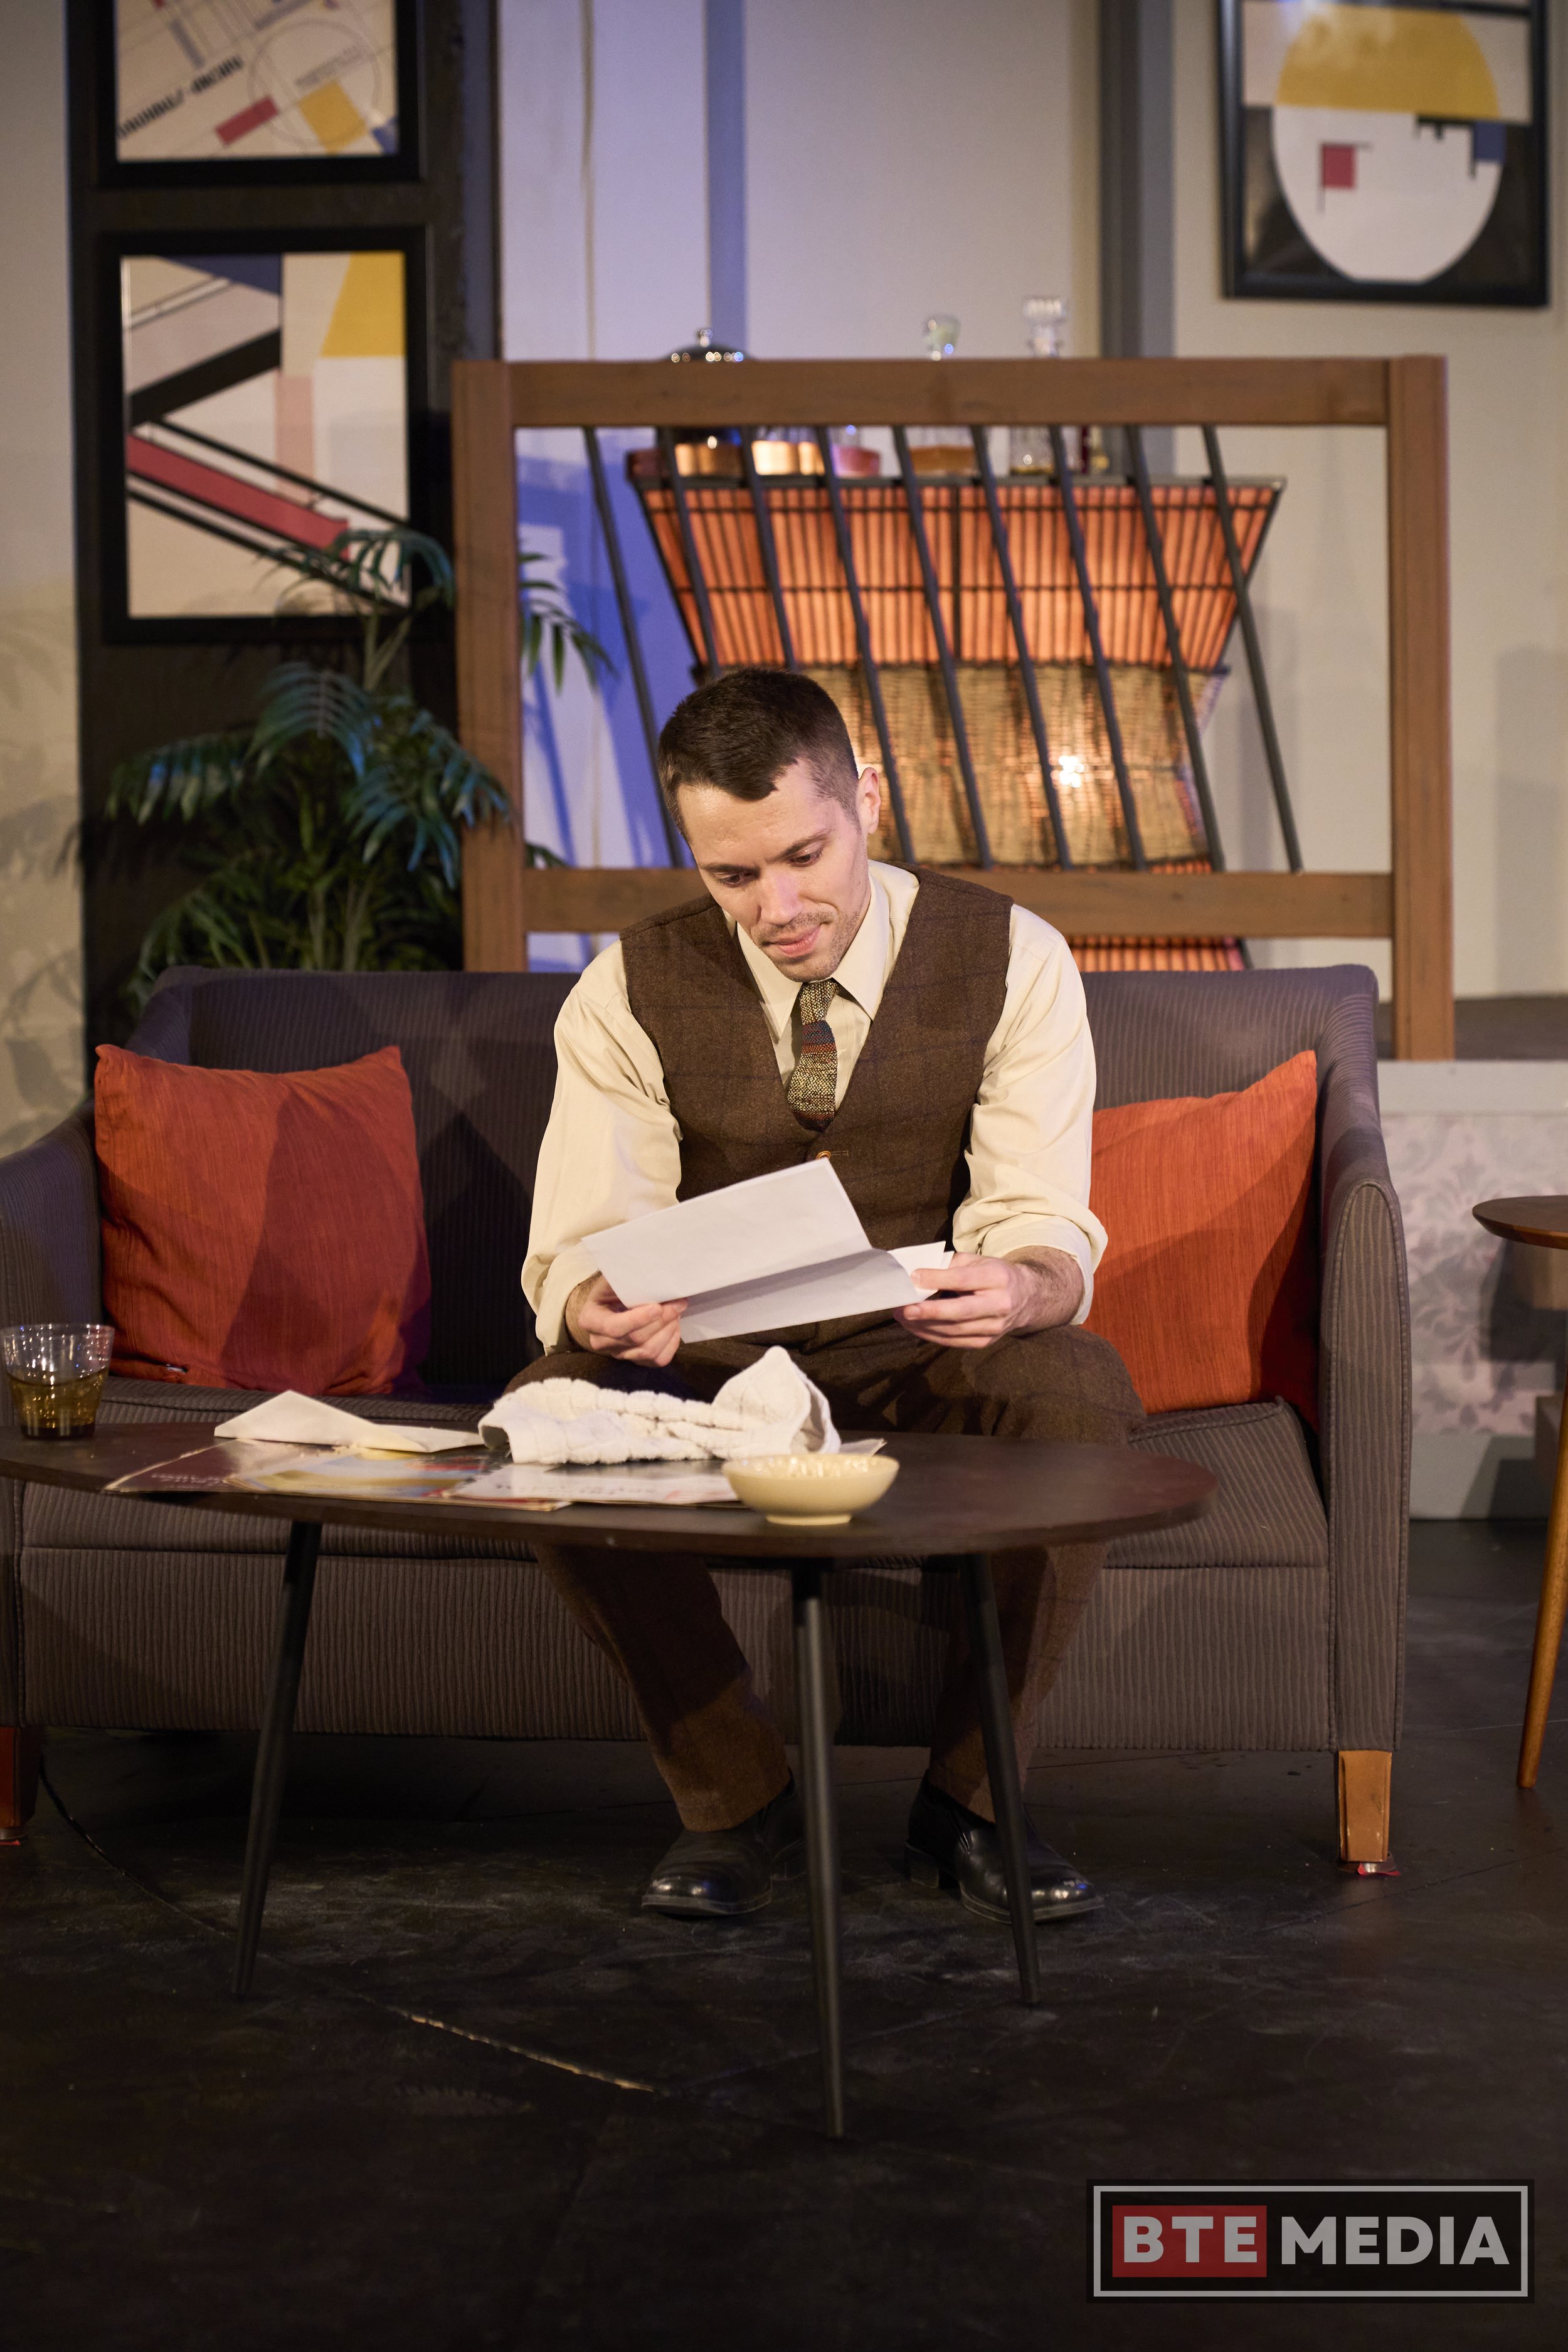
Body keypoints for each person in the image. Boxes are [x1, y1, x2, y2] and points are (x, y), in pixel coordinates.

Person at [516, 667, 1141, 1924]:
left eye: (805, 855)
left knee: (1074, 1388)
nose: (777, 906)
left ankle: (970, 1804)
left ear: (866, 799)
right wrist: (594, 1306)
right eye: (732, 876)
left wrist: (1019, 1285)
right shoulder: (622, 990)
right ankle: (736, 1799)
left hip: (913, 1341)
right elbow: (586, 1240)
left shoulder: (1011, 957)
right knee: (545, 1413)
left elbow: (1038, 1211)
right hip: (713, 1354)